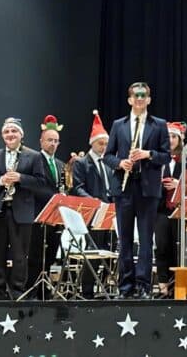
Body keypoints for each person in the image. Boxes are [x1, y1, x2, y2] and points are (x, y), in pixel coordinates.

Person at [104, 82, 171, 299]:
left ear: (149, 100)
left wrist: (148, 154)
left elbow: (166, 155)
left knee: (145, 239)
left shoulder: (159, 125)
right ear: (130, 100)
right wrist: (120, 163)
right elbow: (107, 155)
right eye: (136, 96)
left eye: (144, 96)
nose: (140, 99)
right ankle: (125, 287)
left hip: (148, 188)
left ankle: (143, 286)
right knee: (124, 240)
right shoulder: (118, 125)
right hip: (124, 188)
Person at [0, 118, 45, 300]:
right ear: (3, 135)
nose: (10, 134)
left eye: (14, 131)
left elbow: (41, 184)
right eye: (6, 131)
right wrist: (0, 181)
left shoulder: (34, 156)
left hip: (22, 211)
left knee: (19, 255)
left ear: (21, 135)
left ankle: (18, 292)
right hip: (0, 210)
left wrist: (20, 178)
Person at [72, 110, 116, 299]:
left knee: (108, 250)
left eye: (106, 143)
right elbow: (78, 188)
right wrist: (93, 202)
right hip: (92, 213)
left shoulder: (108, 163)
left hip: (108, 213)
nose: (104, 146)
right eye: (101, 143)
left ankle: (105, 287)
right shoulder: (82, 163)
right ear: (92, 143)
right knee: (92, 253)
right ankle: (87, 290)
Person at [155, 122, 187, 298]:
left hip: (181, 208)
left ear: (180, 139)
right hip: (161, 208)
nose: (171, 140)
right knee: (162, 245)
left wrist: (178, 185)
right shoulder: (158, 157)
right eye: (168, 137)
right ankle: (163, 284)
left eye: (174, 136)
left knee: (180, 246)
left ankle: (178, 284)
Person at [27, 115, 66, 299]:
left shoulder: (59, 164)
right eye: (49, 140)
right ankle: (32, 289)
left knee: (50, 254)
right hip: (37, 213)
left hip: (54, 217)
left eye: (56, 141)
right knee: (35, 255)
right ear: (41, 141)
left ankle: (44, 290)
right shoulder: (33, 159)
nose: (53, 144)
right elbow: (36, 185)